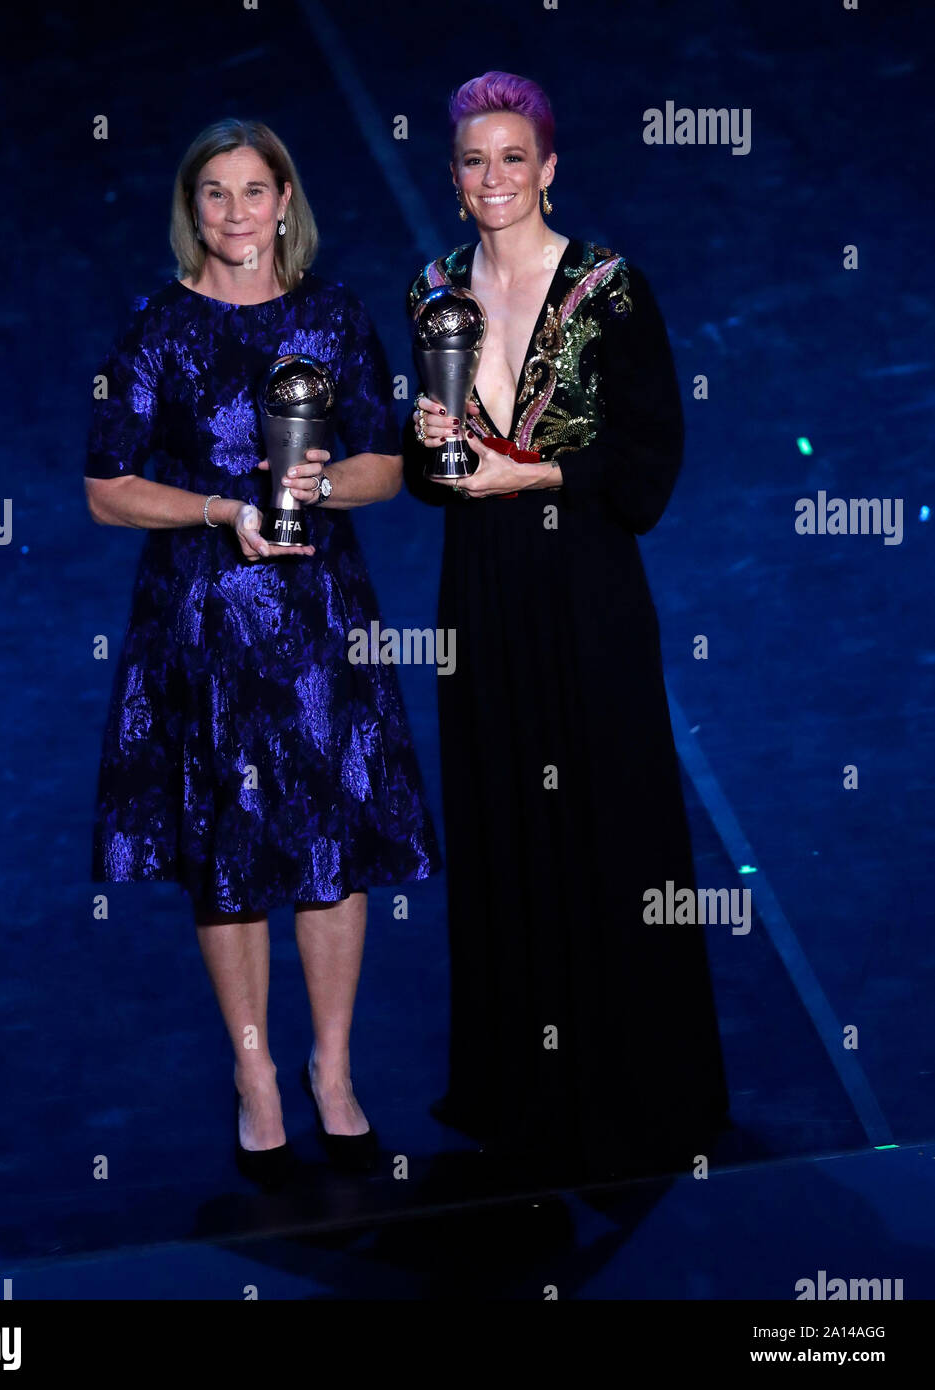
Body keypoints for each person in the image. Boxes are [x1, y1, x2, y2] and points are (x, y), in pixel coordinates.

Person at [84, 119, 440, 1185]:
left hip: (319, 615)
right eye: (215, 195)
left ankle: (333, 1072)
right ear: (192, 209)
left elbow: (389, 461)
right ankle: (257, 1080)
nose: (237, 213)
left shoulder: (332, 316)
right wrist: (216, 508)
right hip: (204, 618)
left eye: (254, 190)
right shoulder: (157, 324)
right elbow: (106, 488)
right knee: (228, 859)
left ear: (288, 200)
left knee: (334, 846)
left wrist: (321, 485)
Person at [403, 72, 730, 1180]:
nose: (493, 179)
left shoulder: (610, 289)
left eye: (512, 158)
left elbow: (647, 469)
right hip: (483, 589)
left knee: (608, 814)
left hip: (585, 586)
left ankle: (638, 1095)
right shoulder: (434, 290)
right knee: (503, 818)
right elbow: (429, 472)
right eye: (472, 161)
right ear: (452, 182)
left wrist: (531, 474)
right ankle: (522, 1088)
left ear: (549, 168)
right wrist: (431, 447)